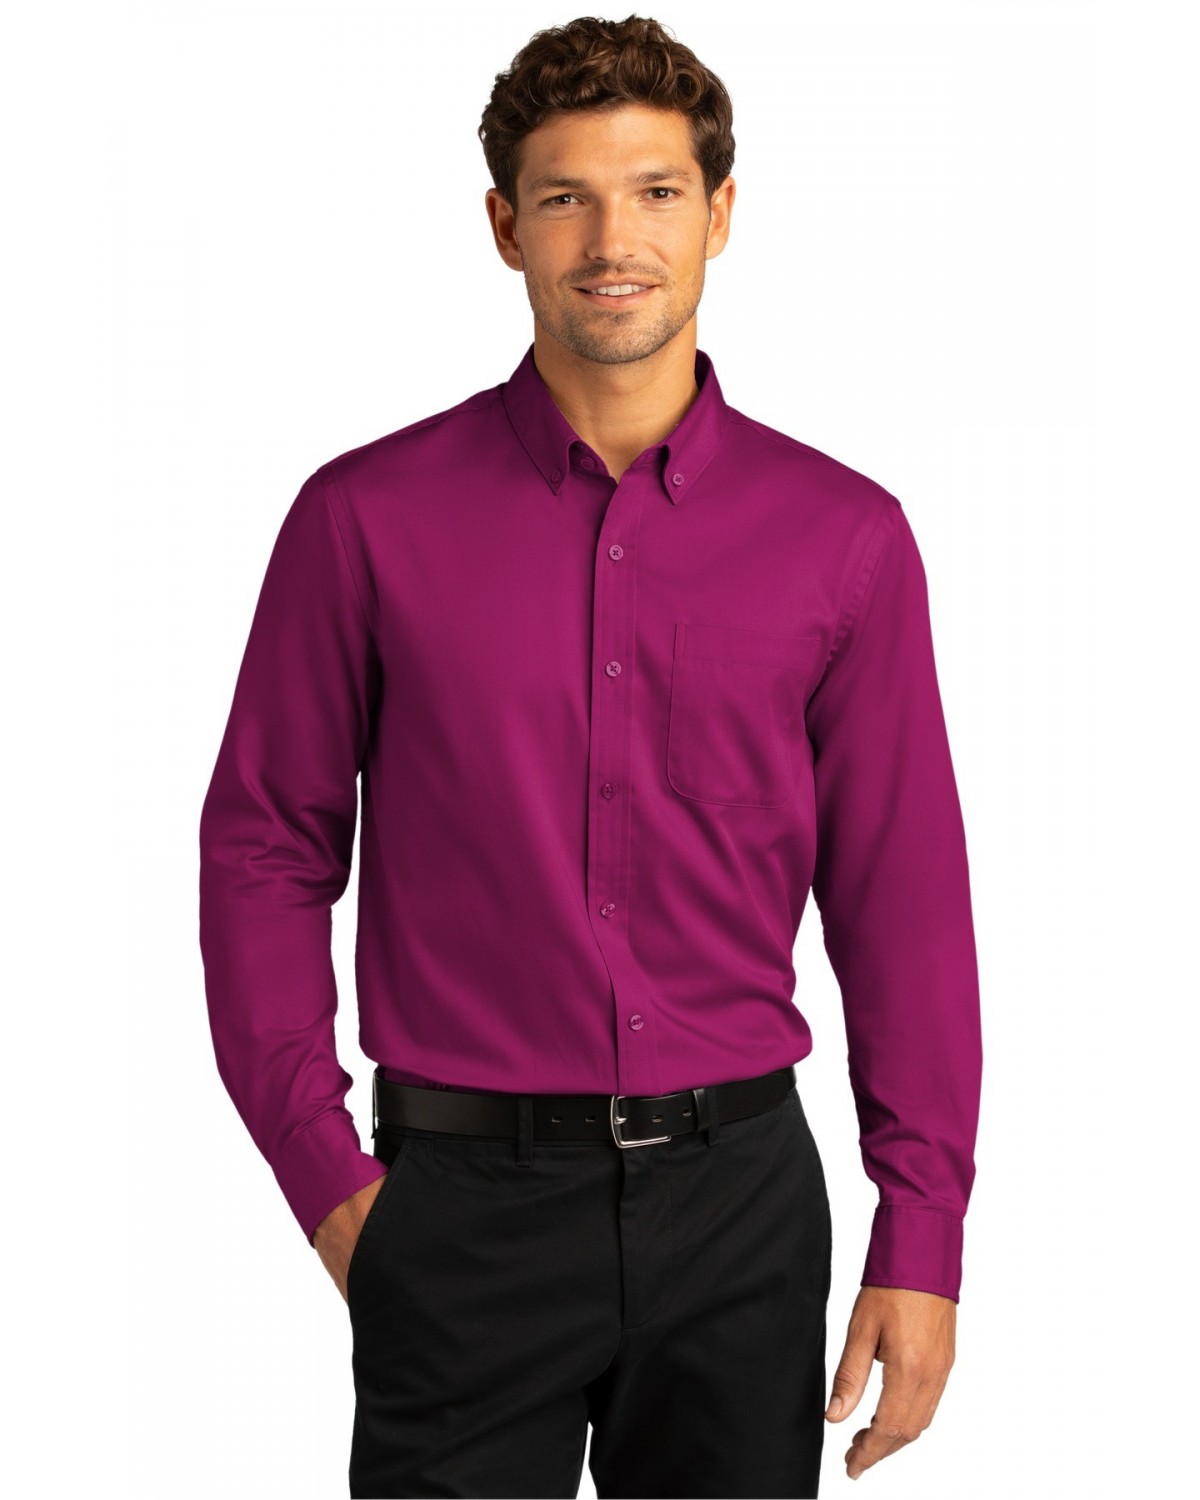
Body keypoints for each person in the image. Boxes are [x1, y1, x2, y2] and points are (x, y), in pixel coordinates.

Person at [198, 14, 982, 1498]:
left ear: (720, 215)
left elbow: (904, 898)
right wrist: (329, 1180)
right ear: (506, 227)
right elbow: (263, 849)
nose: (613, 241)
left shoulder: (847, 538)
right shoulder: (364, 520)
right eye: (566, 197)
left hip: (745, 1210)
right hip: (459, 1208)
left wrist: (923, 1232)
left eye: (657, 192)